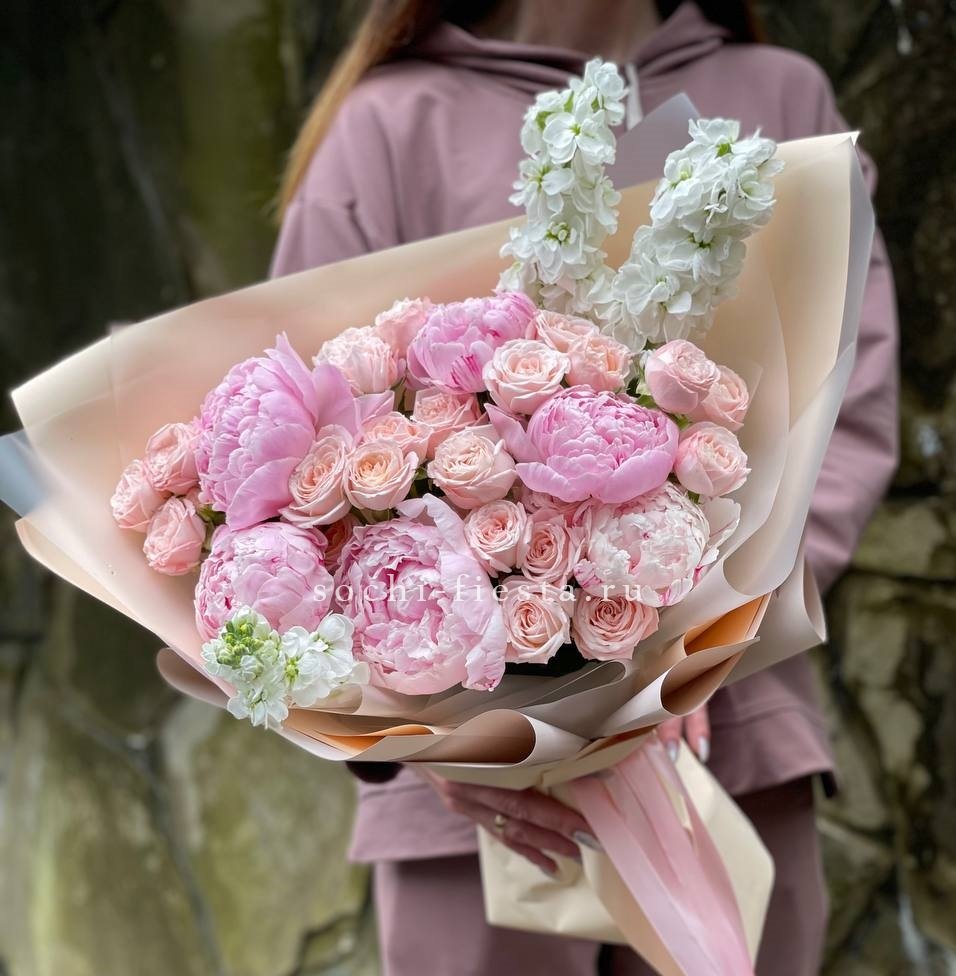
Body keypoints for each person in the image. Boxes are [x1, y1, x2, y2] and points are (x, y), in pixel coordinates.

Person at [270, 2, 899, 973]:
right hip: (478, 811)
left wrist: (703, 634)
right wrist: (418, 732)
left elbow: (847, 406)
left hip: (730, 755)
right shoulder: (389, 125)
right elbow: (295, 469)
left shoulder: (777, 96)